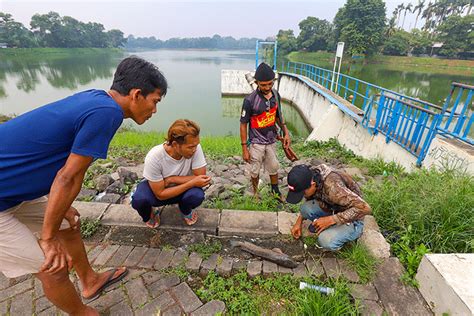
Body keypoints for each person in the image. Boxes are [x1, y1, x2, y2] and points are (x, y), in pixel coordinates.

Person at [0, 56, 168, 315]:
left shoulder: (97, 99)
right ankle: (83, 313)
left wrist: (61, 207)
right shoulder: (107, 113)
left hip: (10, 189)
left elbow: (46, 156)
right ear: (136, 94)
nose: (154, 110)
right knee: (52, 266)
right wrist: (48, 237)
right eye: (155, 102)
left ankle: (89, 281)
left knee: (69, 223)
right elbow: (68, 177)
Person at [131, 119, 210, 228]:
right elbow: (160, 194)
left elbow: (202, 178)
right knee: (139, 200)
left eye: (196, 145)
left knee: (196, 195)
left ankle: (185, 210)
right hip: (159, 192)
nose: (195, 150)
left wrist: (172, 179)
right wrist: (191, 183)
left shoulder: (195, 147)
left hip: (175, 188)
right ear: (175, 144)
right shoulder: (154, 157)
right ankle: (150, 214)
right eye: (191, 147)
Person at [286, 164, 371, 251]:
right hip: (333, 207)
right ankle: (332, 227)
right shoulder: (311, 174)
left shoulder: (334, 188)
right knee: (305, 209)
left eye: (303, 193)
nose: (303, 196)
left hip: (353, 217)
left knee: (325, 241)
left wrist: (330, 220)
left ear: (313, 184)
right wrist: (298, 222)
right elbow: (309, 198)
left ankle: (348, 233)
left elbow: (365, 208)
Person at [240, 62, 290, 201]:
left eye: (270, 84)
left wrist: (286, 133)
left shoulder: (275, 95)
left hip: (271, 140)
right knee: (254, 170)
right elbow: (243, 124)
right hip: (256, 142)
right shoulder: (250, 100)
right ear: (256, 83)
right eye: (263, 85)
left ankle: (275, 191)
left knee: (274, 166)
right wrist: (244, 147)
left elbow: (278, 116)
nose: (267, 88)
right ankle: (255, 193)